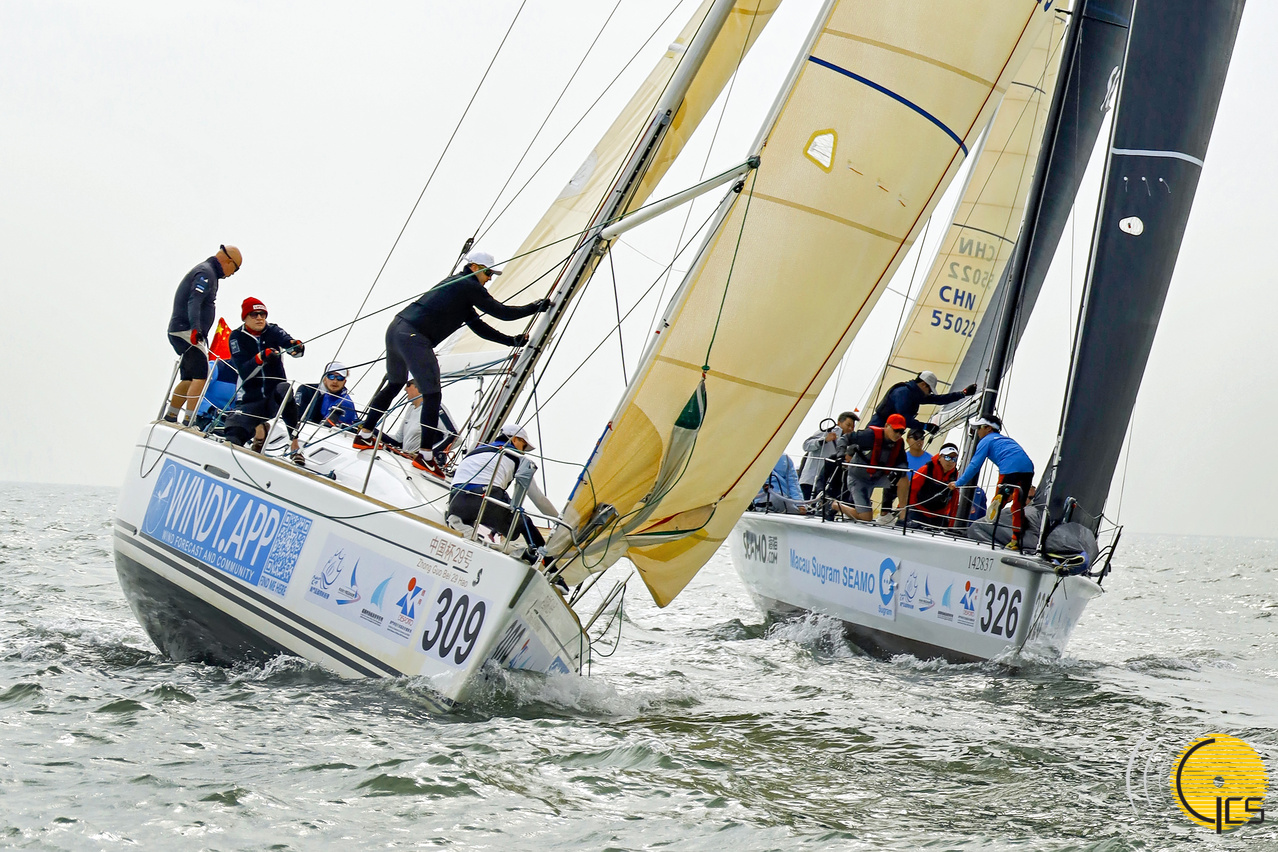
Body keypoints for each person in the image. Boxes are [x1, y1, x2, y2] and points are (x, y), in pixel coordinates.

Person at [353, 249, 551, 477]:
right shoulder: (469, 285)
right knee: (432, 394)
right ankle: (425, 456)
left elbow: (479, 327)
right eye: (488, 273)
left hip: (397, 329)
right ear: (474, 268)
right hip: (414, 337)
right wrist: (535, 306)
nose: (489, 279)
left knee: (395, 383)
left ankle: (365, 434)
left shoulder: (457, 289)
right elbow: (501, 312)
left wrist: (511, 341)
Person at [447, 423, 558, 561]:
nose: (523, 452)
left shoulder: (476, 451)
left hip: (456, 500)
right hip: (486, 497)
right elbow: (539, 499)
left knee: (474, 516)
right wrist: (559, 521)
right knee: (524, 522)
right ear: (515, 439)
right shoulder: (517, 457)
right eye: (523, 446)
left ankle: (458, 522)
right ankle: (548, 565)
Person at [165, 245, 242, 422]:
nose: (232, 274)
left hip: (183, 330)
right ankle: (189, 420)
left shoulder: (209, 273)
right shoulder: (206, 273)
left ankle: (171, 415)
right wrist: (195, 329)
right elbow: (194, 301)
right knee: (202, 376)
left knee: (189, 378)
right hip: (187, 331)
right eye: (235, 269)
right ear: (228, 261)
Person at [225, 297, 306, 465]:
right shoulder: (237, 337)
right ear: (245, 317)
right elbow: (244, 371)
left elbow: (290, 345)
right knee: (233, 436)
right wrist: (260, 357)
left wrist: (296, 346)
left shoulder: (273, 330)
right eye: (254, 314)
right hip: (251, 398)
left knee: (285, 388)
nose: (260, 318)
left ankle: (295, 446)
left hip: (274, 398)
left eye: (263, 314)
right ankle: (259, 432)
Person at [949, 414, 1034, 550]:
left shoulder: (986, 441)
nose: (977, 432)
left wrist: (958, 483)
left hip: (1009, 468)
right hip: (1028, 469)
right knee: (1018, 505)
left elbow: (974, 465)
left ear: (988, 428)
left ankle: (999, 501)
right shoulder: (1007, 440)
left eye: (979, 428)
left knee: (998, 503)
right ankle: (1015, 540)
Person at [830, 413, 908, 522]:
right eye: (896, 430)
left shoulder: (899, 443)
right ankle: (835, 505)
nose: (898, 434)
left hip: (878, 477)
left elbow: (903, 462)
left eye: (901, 431)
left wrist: (899, 471)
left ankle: (902, 517)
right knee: (866, 518)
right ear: (886, 426)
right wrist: (840, 454)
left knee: (903, 479)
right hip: (858, 479)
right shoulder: (870, 435)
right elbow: (845, 438)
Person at [869, 370, 976, 435]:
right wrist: (926, 426)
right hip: (877, 430)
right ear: (924, 384)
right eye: (930, 390)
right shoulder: (903, 393)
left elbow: (938, 399)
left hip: (890, 435)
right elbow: (905, 419)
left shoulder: (916, 394)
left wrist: (963, 394)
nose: (929, 393)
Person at [383, 379, 458, 456]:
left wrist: (427, 454)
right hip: (405, 459)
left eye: (408, 384)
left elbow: (455, 437)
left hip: (422, 461)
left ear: (419, 386)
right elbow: (398, 440)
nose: (405, 389)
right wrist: (376, 433)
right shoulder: (411, 409)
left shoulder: (434, 407)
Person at [798, 411, 858, 500]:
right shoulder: (826, 432)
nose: (850, 429)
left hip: (826, 484)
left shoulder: (848, 443)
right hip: (811, 480)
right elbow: (806, 445)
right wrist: (824, 440)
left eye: (852, 427)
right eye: (848, 425)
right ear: (839, 423)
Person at [903, 442, 961, 529]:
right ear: (940, 457)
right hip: (918, 511)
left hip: (938, 515)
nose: (950, 462)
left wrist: (951, 525)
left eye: (954, 459)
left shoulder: (956, 477)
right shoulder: (926, 469)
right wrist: (904, 511)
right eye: (947, 457)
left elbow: (955, 502)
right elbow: (912, 490)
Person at [295, 362, 359, 427]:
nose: (335, 381)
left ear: (344, 382)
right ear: (324, 379)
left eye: (340, 378)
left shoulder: (345, 402)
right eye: (331, 376)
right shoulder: (308, 390)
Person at [889, 426, 933, 512]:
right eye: (916, 437)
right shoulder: (901, 459)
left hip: (922, 500)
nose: (919, 440)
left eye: (922, 438)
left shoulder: (931, 460)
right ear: (907, 440)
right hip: (903, 498)